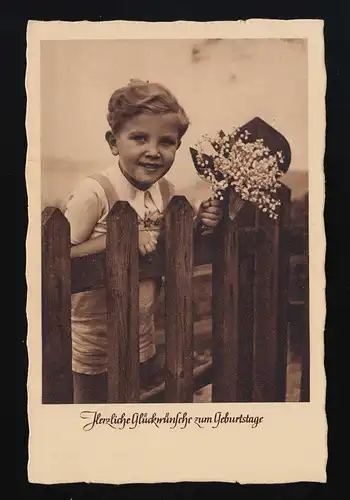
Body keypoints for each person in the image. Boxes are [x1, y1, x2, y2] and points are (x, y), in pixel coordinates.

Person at [65, 79, 222, 403]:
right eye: (139, 138)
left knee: (130, 403)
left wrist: (199, 222)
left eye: (166, 142)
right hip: (92, 335)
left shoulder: (167, 192)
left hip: (140, 330)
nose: (153, 151)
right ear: (113, 142)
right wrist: (120, 241)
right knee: (89, 412)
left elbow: (168, 242)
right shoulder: (94, 192)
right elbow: (60, 254)